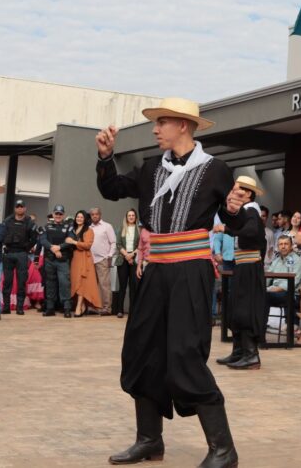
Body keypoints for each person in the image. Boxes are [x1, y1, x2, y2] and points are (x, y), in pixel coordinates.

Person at [96, 97, 241, 468]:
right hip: (156, 270)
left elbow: (232, 218)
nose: (155, 129)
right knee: (141, 350)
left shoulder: (216, 170)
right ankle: (149, 441)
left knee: (184, 354)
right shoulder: (148, 169)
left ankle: (223, 450)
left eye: (161, 122)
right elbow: (112, 188)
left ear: (183, 125)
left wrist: (236, 211)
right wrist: (105, 156)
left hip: (191, 270)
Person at [215, 176, 268, 371]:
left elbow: (252, 231)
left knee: (245, 308)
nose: (236, 193)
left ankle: (250, 354)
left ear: (248, 193)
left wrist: (227, 229)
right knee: (238, 307)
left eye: (241, 190)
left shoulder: (251, 209)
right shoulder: (246, 210)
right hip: (243, 264)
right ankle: (240, 351)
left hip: (249, 265)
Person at [0, 199, 38, 315]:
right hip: (9, 253)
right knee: (7, 282)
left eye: (22, 206)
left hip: (22, 254)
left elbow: (34, 238)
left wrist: (27, 248)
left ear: (25, 209)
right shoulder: (7, 221)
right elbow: (2, 235)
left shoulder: (30, 222)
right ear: (15, 208)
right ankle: (6, 306)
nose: (20, 208)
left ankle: (19, 307)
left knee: (22, 282)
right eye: (18, 206)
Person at [266, 235, 301, 336]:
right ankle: (257, 326)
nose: (283, 246)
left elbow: (293, 282)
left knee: (264, 296)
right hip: (274, 292)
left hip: (291, 293)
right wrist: (261, 286)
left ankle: (260, 327)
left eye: (286, 244)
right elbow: (268, 277)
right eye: (280, 244)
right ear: (278, 247)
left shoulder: (297, 261)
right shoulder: (276, 261)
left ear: (291, 246)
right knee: (258, 294)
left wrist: (274, 289)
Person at [40, 204, 74, 317]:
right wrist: (53, 249)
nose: (58, 215)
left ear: (63, 214)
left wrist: (59, 247)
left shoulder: (68, 226)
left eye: (60, 214)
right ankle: (50, 308)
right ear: (53, 214)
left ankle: (67, 308)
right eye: (56, 213)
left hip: (63, 260)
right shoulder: (47, 226)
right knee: (50, 283)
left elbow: (70, 240)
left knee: (64, 283)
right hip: (50, 259)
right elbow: (42, 240)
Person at [68, 210, 100, 317]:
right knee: (76, 281)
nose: (79, 219)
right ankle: (82, 305)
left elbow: (87, 245)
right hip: (74, 259)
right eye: (77, 217)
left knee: (82, 282)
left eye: (81, 217)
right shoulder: (73, 229)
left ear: (85, 219)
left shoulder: (89, 230)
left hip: (84, 258)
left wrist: (74, 242)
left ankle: (79, 306)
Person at [89, 207, 117, 316]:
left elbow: (113, 242)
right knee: (92, 285)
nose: (94, 216)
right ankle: (94, 307)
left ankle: (107, 308)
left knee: (104, 285)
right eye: (92, 214)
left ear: (100, 215)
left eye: (96, 214)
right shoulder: (89, 228)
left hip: (102, 259)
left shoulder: (107, 226)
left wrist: (109, 256)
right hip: (90, 260)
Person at [113, 208, 139, 318]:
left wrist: (132, 255)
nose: (131, 217)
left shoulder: (139, 230)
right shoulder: (121, 229)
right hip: (123, 259)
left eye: (133, 215)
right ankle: (120, 310)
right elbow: (118, 244)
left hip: (134, 259)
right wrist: (126, 255)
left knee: (133, 286)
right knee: (122, 286)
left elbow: (141, 246)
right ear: (126, 217)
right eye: (129, 215)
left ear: (135, 217)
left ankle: (133, 311)